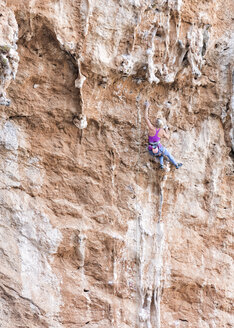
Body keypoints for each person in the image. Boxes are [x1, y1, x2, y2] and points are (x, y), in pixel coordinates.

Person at [144, 101, 182, 170]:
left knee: (160, 154)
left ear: (155, 124)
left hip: (150, 150)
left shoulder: (151, 128)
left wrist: (147, 107)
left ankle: (161, 164)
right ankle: (176, 164)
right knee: (167, 154)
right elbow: (168, 137)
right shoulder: (162, 131)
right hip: (158, 149)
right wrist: (166, 130)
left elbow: (146, 118)